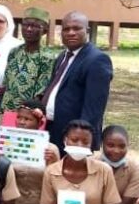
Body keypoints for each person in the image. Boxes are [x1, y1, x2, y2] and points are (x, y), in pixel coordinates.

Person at [43, 11, 113, 151]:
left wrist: (79, 140)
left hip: (74, 138)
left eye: (76, 28)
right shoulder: (63, 56)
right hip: (52, 129)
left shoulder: (97, 60)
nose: (71, 33)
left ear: (87, 31)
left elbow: (94, 109)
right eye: (66, 29)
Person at [4, 100, 60, 204]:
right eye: (19, 118)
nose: (22, 122)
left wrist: (53, 163)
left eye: (27, 119)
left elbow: (59, 184)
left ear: (39, 122)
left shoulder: (50, 149)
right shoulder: (5, 143)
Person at [0, 7, 56, 116]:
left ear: (44, 30)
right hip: (5, 111)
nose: (29, 29)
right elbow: (5, 85)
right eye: (25, 25)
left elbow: (40, 92)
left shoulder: (47, 57)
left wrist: (26, 115)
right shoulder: (14, 52)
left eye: (35, 26)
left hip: (27, 116)